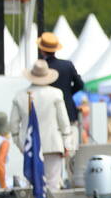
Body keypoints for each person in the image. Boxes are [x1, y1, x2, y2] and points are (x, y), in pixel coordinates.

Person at [11, 59, 73, 190]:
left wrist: (20, 144)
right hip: (53, 144)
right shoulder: (56, 94)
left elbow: (14, 125)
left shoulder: (20, 95)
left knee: (32, 184)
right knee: (53, 183)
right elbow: (64, 122)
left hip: (30, 145)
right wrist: (67, 143)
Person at [36, 32, 85, 150]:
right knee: (70, 146)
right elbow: (80, 84)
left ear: (42, 50)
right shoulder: (67, 65)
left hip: (48, 111)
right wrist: (68, 93)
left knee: (50, 148)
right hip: (68, 109)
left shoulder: (41, 66)